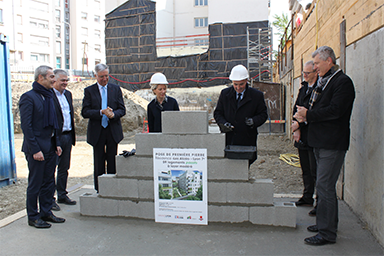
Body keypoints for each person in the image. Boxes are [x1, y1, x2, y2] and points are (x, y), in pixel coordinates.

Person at [294, 46, 355, 245]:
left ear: (329, 61)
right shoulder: (326, 81)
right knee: (322, 186)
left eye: (318, 63)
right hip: (320, 142)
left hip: (332, 143)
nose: (316, 67)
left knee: (325, 186)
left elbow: (335, 111)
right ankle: (324, 224)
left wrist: (308, 115)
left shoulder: (342, 83)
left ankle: (327, 233)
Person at [19, 65, 66, 228]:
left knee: (48, 182)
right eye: (51, 77)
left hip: (50, 147)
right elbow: (26, 127)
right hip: (36, 149)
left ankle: (46, 212)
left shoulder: (49, 96)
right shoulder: (28, 97)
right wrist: (35, 150)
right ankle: (33, 216)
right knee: (35, 183)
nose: (54, 79)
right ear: (41, 78)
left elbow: (54, 124)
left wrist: (57, 143)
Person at [81, 64, 126, 192]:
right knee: (99, 162)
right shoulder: (89, 91)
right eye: (101, 77)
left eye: (106, 76)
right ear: (95, 76)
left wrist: (113, 114)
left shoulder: (116, 89)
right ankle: (99, 189)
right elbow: (85, 112)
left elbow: (122, 110)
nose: (105, 79)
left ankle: (112, 189)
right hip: (97, 131)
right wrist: (101, 112)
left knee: (112, 161)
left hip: (112, 131)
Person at [214, 64, 268, 165]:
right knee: (230, 166)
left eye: (241, 84)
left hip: (247, 138)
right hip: (230, 139)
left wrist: (254, 121)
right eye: (235, 84)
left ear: (247, 81)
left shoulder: (256, 95)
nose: (238, 87)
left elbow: (263, 114)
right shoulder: (225, 94)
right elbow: (218, 113)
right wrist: (223, 123)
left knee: (244, 166)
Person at [292, 61, 318, 216]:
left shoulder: (318, 89)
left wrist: (301, 123)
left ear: (315, 72)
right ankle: (307, 195)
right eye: (303, 73)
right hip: (302, 135)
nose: (305, 75)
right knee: (306, 169)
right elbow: (297, 107)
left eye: (307, 73)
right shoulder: (303, 88)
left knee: (316, 170)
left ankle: (319, 201)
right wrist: (296, 125)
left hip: (313, 134)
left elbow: (312, 112)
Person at [52, 69, 76, 206]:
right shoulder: (49, 95)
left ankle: (62, 194)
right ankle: (50, 199)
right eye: (63, 80)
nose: (65, 83)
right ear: (54, 80)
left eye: (67, 80)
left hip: (67, 136)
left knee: (64, 168)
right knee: (51, 169)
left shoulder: (68, 95)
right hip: (55, 137)